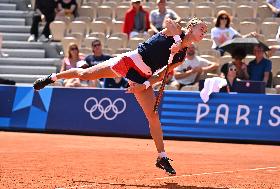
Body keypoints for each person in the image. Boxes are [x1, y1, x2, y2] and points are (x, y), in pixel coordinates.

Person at [33, 17, 208, 176]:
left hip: (144, 76)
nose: (204, 33)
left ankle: (162, 157)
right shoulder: (175, 31)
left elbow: (162, 75)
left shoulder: (181, 56)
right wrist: (177, 41)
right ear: (191, 28)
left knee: (153, 116)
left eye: (205, 31)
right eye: (202, 29)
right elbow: (167, 21)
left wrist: (144, 85)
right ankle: (52, 78)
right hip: (130, 62)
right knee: (85, 75)